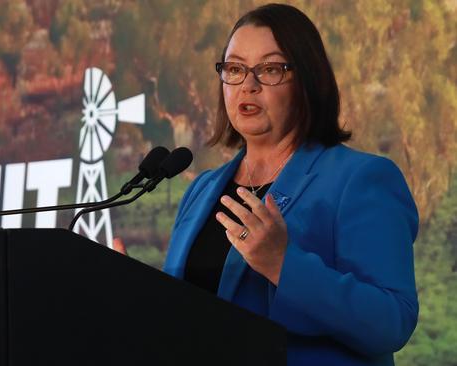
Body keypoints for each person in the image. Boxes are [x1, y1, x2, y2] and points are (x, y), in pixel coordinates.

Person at [162, 4, 418, 366]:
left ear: (307, 80)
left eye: (269, 69)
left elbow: (392, 322)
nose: (247, 86)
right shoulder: (202, 190)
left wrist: (283, 264)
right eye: (234, 69)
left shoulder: (360, 179)